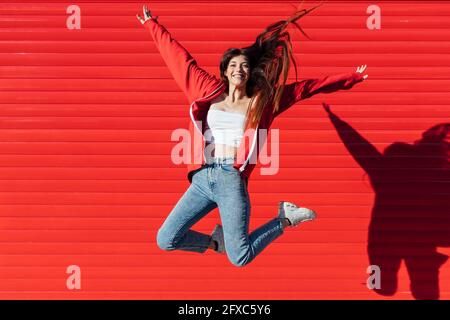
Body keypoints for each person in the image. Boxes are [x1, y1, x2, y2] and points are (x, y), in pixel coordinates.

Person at [136, 3, 368, 267]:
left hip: (230, 179)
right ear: (225, 70)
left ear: (250, 72)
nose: (239, 69)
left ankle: (284, 218)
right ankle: (215, 243)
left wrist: (348, 78)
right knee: (166, 238)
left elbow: (305, 89)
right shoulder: (207, 89)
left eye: (244, 66)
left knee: (240, 257)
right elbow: (180, 60)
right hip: (202, 177)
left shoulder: (262, 101)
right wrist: (152, 25)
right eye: (233, 65)